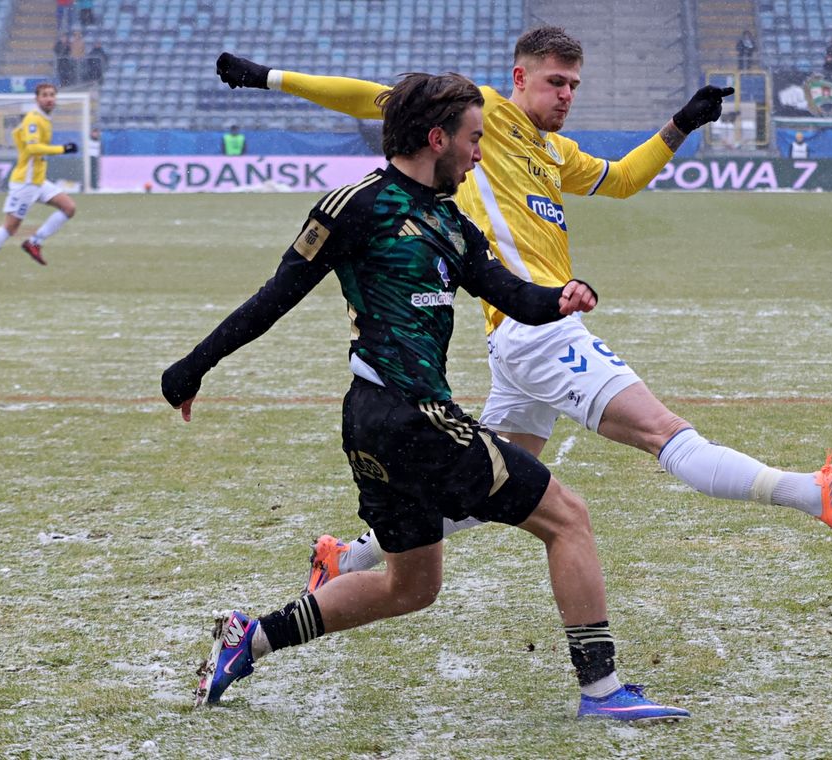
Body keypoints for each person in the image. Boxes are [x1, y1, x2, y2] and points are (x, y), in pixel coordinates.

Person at [214, 25, 832, 592]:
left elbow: (621, 180)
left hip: (521, 339)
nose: (566, 95)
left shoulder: (554, 151)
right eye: (555, 82)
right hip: (539, 334)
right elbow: (367, 96)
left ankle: (346, 558)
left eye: (574, 85)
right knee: (664, 432)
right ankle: (811, 493)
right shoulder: (483, 118)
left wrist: (680, 125)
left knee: (485, 485)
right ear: (519, 79)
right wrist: (266, 77)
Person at [161, 71, 689, 723]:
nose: (479, 154)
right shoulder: (356, 205)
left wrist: (562, 297)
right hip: (409, 414)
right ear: (437, 139)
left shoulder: (452, 222)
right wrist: (192, 367)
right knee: (568, 517)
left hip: (380, 424)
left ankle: (252, 638)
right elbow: (275, 296)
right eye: (473, 140)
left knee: (412, 586)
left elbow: (510, 294)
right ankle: (603, 691)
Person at [0, 83, 78, 287]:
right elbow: (33, 147)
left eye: (52, 95)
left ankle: (35, 242)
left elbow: (18, 135)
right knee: (10, 227)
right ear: (37, 99)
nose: (49, 98)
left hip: (38, 180)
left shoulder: (43, 119)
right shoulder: (33, 119)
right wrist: (62, 149)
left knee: (69, 207)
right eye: (45, 95)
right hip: (26, 182)